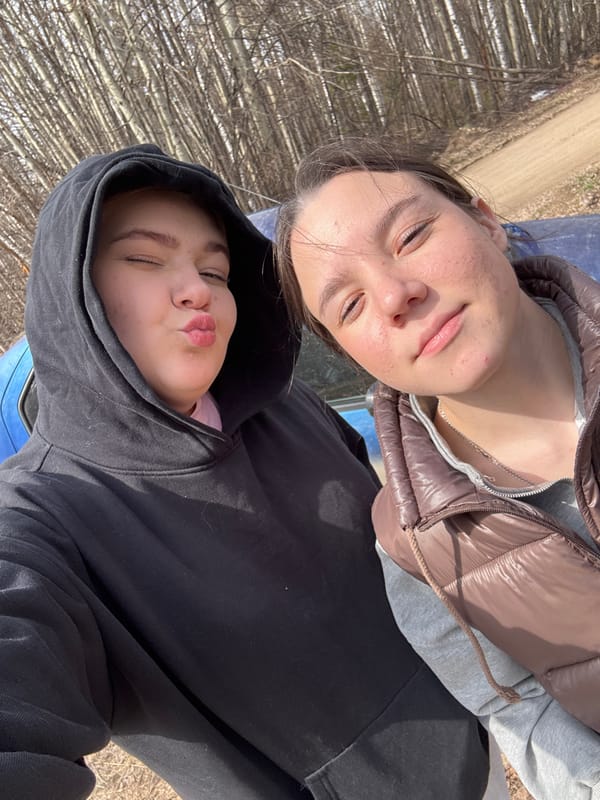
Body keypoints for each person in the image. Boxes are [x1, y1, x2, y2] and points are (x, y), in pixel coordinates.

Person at [0, 144, 493, 799]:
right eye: (145, 259)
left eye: (217, 269)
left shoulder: (287, 407)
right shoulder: (45, 516)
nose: (196, 290)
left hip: (479, 755)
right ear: (71, 294)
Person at [276, 139, 600, 800]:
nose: (397, 294)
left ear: (484, 219)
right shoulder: (411, 547)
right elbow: (520, 709)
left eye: (412, 234)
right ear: (348, 352)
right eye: (350, 305)